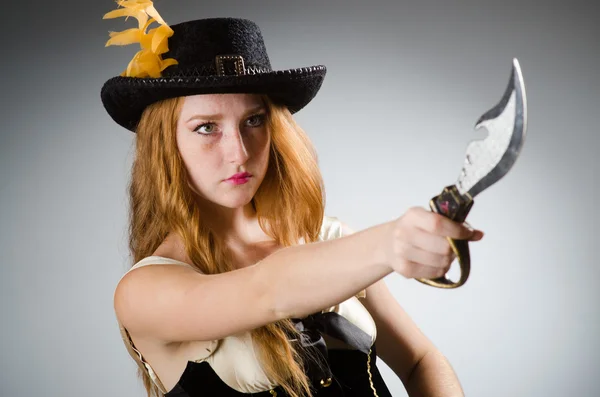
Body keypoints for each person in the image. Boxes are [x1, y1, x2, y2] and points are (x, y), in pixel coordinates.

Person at [101, 3, 484, 397]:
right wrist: (390, 243)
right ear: (166, 146)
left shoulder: (328, 238)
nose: (239, 151)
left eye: (254, 120)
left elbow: (421, 360)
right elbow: (268, 291)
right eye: (206, 128)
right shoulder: (142, 292)